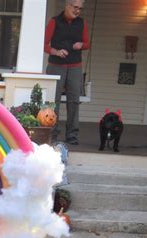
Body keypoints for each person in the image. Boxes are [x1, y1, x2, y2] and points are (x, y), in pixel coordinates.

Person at [44, 0, 90, 144]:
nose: (77, 11)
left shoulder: (81, 23)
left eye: (80, 9)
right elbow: (44, 43)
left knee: (74, 100)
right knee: (53, 101)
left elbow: (87, 43)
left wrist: (81, 45)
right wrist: (56, 52)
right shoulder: (54, 22)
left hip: (75, 66)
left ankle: (72, 135)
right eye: (75, 7)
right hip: (56, 65)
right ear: (67, 6)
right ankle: (52, 132)